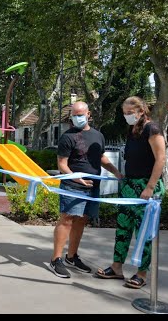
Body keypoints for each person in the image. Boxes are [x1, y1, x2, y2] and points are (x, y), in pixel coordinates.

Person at [96, 96, 165, 289]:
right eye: (124, 113)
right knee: (123, 228)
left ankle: (141, 273)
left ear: (141, 111)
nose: (127, 116)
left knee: (144, 232)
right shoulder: (133, 130)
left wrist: (150, 187)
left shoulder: (153, 129)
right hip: (130, 184)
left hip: (147, 185)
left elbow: (160, 159)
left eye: (130, 113)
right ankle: (117, 267)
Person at [49, 101, 123, 279]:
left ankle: (71, 257)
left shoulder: (98, 135)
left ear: (88, 114)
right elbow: (62, 165)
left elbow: (101, 157)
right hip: (72, 186)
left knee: (81, 220)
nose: (77, 117)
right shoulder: (67, 137)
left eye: (80, 114)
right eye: (74, 115)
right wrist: (77, 178)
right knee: (66, 219)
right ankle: (56, 259)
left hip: (92, 188)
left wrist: (115, 171)